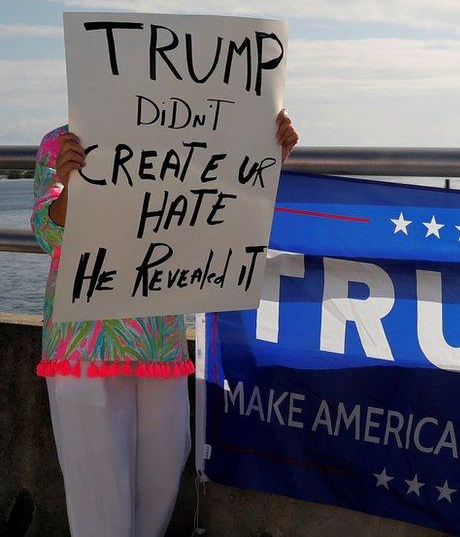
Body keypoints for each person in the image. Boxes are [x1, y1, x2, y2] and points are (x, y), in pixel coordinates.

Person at [31, 110, 299, 537]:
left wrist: (264, 156)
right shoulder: (59, 143)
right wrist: (74, 189)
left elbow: (217, 213)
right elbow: (48, 235)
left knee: (159, 491)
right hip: (84, 345)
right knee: (99, 513)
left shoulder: (186, 140)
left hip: (160, 342)